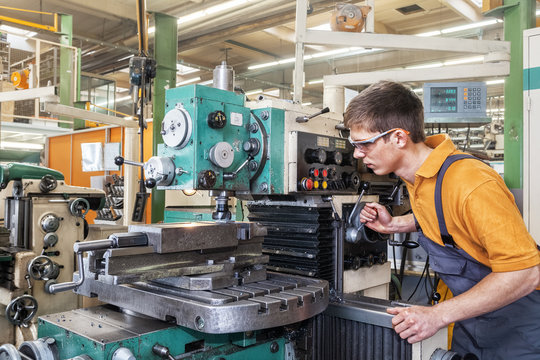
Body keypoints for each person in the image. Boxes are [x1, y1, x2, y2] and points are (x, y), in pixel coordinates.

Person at [343, 80, 540, 359]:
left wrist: (437, 315)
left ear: (399, 137)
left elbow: (524, 273)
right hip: (472, 325)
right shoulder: (420, 179)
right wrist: (396, 224)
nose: (357, 154)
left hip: (520, 332)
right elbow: (449, 217)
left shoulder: (471, 183)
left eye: (364, 144)